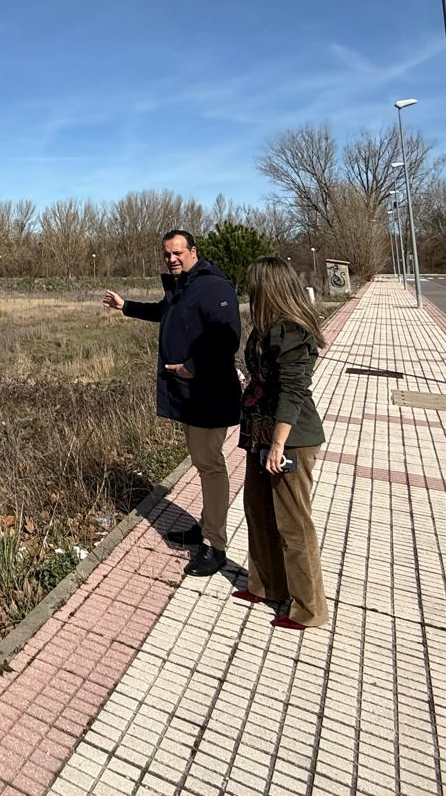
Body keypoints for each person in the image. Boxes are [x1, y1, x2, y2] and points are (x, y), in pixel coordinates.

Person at [103, 230, 241, 577]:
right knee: (202, 462)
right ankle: (205, 526)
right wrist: (126, 306)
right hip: (191, 394)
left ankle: (215, 546)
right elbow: (164, 313)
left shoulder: (213, 287)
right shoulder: (183, 287)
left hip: (209, 394)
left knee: (210, 466)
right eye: (167, 254)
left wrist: (191, 367)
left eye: (178, 253)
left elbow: (227, 337)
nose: (172, 259)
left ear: (193, 251)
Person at [231, 256, 329, 630]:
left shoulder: (292, 332)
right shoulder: (265, 328)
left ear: (268, 288)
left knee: (293, 522)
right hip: (260, 430)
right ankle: (266, 585)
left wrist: (277, 445)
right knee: (257, 509)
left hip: (290, 438)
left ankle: (308, 608)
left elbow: (294, 391)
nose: (249, 290)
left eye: (253, 284)